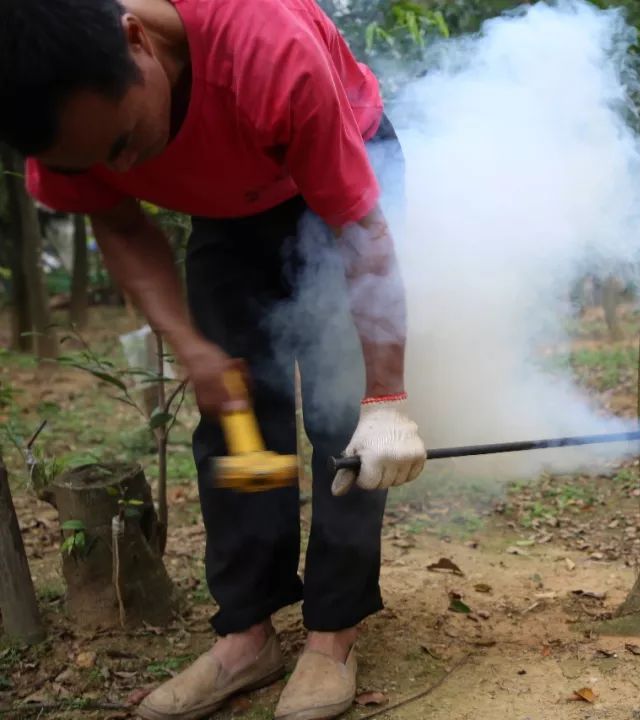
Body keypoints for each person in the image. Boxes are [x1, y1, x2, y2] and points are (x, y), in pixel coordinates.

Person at [0, 1, 428, 718]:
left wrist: (385, 400)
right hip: (227, 203)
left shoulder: (267, 53)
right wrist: (190, 346)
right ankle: (246, 635)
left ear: (136, 42)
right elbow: (119, 222)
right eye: (95, 160)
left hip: (332, 173)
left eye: (125, 141)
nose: (124, 168)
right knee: (230, 414)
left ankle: (331, 636)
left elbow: (360, 229)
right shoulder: (61, 114)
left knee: (337, 409)